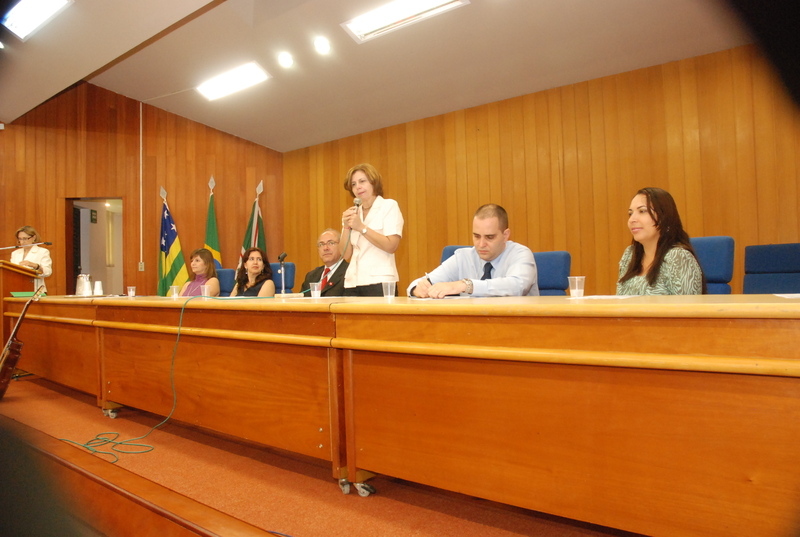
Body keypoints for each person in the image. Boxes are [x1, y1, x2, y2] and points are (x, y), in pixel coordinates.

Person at [407, 204, 539, 298]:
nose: (481, 244)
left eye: (489, 237)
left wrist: (466, 285)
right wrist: (417, 289)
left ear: (505, 235)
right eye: (476, 236)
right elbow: (418, 283)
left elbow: (517, 286)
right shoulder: (462, 257)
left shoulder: (520, 254)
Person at [617, 187, 705, 295]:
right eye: (630, 213)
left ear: (664, 217)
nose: (632, 220)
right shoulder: (629, 254)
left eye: (642, 211)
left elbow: (688, 305)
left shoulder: (678, 257)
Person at [340, 163, 404, 296]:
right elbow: (345, 255)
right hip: (353, 282)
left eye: (362, 181)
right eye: (353, 184)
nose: (358, 187)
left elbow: (391, 246)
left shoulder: (388, 206)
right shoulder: (353, 213)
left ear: (374, 182)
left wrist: (361, 228)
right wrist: (346, 227)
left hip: (380, 281)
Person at [300, 229, 349, 297]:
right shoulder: (311, 276)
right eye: (321, 244)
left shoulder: (350, 272)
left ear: (341, 246)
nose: (325, 248)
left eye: (331, 243)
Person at [10, 226, 52, 292]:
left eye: (25, 238)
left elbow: (48, 272)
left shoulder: (42, 252)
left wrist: (35, 266)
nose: (22, 242)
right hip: (18, 289)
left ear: (34, 237)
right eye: (20, 239)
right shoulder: (15, 253)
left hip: (36, 290)